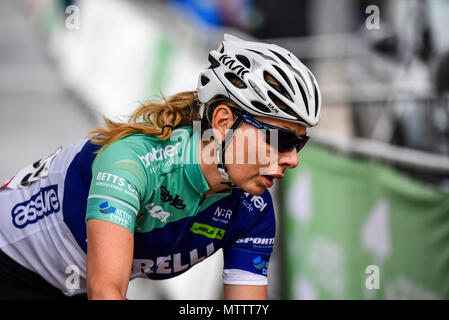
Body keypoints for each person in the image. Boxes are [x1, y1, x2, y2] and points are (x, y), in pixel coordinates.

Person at [0, 34, 321, 300]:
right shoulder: (133, 162)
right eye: (280, 141)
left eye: (299, 144)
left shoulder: (253, 208)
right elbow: (106, 291)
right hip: (11, 265)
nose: (292, 159)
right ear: (224, 123)